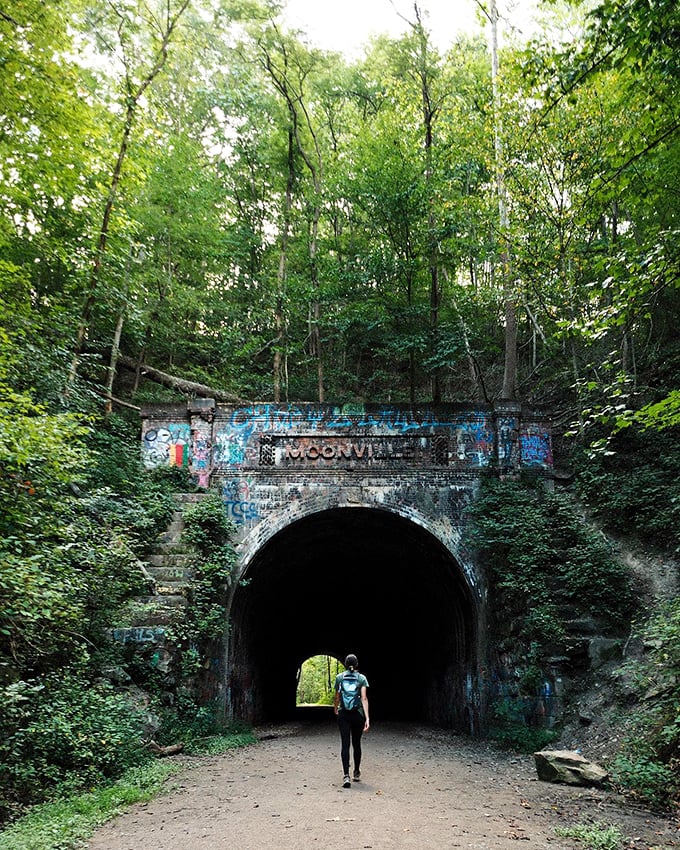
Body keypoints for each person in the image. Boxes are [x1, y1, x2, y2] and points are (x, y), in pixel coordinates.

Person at [333, 654, 369, 788]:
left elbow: (337, 696)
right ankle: (356, 772)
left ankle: (346, 775)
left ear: (345, 664)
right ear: (357, 664)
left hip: (344, 714)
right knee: (356, 743)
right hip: (357, 714)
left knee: (345, 744)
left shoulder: (339, 678)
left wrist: (336, 708)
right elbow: (364, 698)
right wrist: (367, 718)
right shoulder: (361, 678)